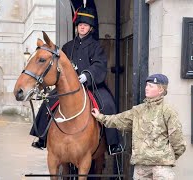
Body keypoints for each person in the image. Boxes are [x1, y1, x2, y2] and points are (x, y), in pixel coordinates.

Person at [30, 6, 124, 155]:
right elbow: (58, 65)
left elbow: (99, 65)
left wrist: (86, 75)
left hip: (92, 85)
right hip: (68, 87)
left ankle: (114, 144)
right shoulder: (68, 46)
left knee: (108, 105)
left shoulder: (96, 46)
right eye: (80, 25)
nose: (82, 27)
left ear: (90, 28)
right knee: (48, 101)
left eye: (85, 25)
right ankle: (41, 137)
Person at [91, 74, 187, 179]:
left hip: (161, 167)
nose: (146, 88)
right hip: (141, 167)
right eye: (146, 85)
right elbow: (118, 120)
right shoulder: (138, 110)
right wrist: (100, 116)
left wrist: (167, 157)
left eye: (151, 86)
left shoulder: (168, 111)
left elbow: (177, 140)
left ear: (161, 90)